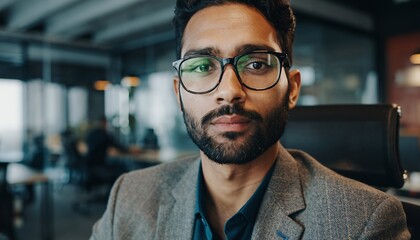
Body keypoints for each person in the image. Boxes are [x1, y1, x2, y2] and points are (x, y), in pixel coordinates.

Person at [90, 0, 410, 239]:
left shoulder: (363, 221)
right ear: (178, 91)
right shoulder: (130, 197)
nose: (229, 92)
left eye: (256, 64)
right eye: (202, 66)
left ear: (293, 88)